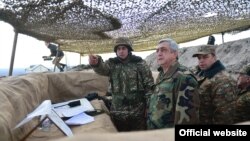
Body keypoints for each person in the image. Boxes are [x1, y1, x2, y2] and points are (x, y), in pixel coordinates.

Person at [88, 37, 154, 131]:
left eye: (123, 48)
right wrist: (96, 63)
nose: (121, 51)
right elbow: (102, 69)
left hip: (138, 112)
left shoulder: (139, 63)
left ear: (129, 49)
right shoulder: (112, 63)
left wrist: (149, 107)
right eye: (118, 49)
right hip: (118, 112)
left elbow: (149, 86)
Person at [147, 38, 200, 129]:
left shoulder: (184, 78)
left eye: (163, 50)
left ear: (174, 53)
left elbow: (186, 118)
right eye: (157, 51)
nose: (159, 53)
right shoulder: (162, 74)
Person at [192, 45, 237, 124]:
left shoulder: (224, 80)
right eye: (199, 58)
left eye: (205, 57)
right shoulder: (202, 74)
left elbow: (224, 116)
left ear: (214, 57)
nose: (201, 61)